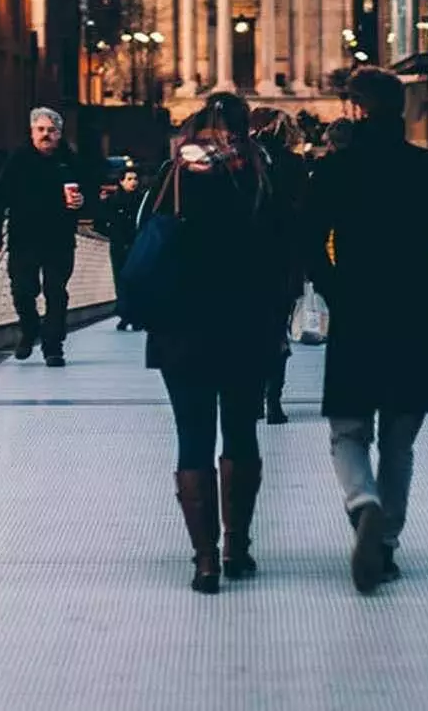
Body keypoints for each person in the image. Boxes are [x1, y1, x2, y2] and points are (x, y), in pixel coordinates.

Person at [306, 67, 428, 593]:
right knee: (400, 440)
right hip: (412, 313)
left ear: (357, 110)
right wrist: (425, 278)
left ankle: (363, 504)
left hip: (357, 311)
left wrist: (336, 289)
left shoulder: (336, 170)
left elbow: (308, 240)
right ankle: (387, 544)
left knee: (348, 429)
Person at [145, 93, 293, 593]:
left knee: (192, 436)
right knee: (240, 433)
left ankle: (204, 560)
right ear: (244, 129)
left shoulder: (174, 176)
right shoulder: (259, 175)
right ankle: (238, 546)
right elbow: (286, 251)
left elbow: (141, 238)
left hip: (182, 327)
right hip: (246, 325)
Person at [0, 106, 94, 367]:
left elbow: (90, 190)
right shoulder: (18, 160)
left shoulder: (71, 160)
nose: (46, 135)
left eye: (51, 130)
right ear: (32, 132)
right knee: (23, 290)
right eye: (41, 130)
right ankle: (30, 329)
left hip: (60, 239)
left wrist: (82, 202)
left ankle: (53, 347)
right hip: (24, 238)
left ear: (59, 134)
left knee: (56, 292)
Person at [251, 106, 312, 425]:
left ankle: (252, 397)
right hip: (284, 261)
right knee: (277, 331)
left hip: (246, 264)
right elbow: (305, 214)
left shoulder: (242, 161)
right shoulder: (295, 164)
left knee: (248, 331)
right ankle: (273, 400)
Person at [96, 162, 146, 331]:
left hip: (137, 245)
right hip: (119, 246)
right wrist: (114, 235)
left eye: (136, 179)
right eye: (130, 179)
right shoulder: (112, 202)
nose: (134, 182)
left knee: (137, 281)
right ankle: (126, 315)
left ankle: (133, 315)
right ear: (121, 181)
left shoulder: (143, 201)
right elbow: (98, 224)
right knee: (121, 281)